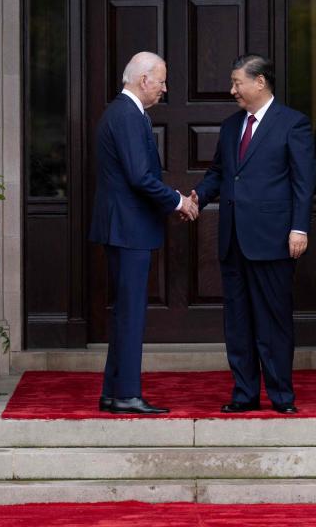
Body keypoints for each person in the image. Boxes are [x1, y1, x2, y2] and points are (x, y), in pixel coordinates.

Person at [192, 54, 315, 414]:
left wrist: (299, 228)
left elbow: (303, 182)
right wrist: (198, 197)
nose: (233, 90)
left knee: (273, 322)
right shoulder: (231, 126)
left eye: (237, 83)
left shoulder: (293, 124)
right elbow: (219, 171)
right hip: (233, 240)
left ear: (259, 82)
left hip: (274, 239)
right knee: (238, 323)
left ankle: (281, 397)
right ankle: (244, 394)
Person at [89, 51, 198, 414]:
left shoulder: (122, 113)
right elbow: (139, 177)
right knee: (131, 313)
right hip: (128, 229)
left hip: (124, 227)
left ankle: (113, 391)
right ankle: (128, 395)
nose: (165, 89)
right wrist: (178, 201)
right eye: (162, 80)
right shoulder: (127, 115)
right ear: (143, 79)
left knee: (125, 312)